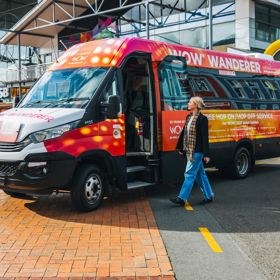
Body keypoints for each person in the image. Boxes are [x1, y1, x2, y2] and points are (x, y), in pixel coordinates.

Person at [170, 96, 214, 206]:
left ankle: (182, 198)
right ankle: (209, 195)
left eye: (190, 102)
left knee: (189, 173)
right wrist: (181, 147)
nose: (188, 103)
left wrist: (206, 154)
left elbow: (205, 137)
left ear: (196, 105)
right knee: (200, 174)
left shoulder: (203, 119)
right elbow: (184, 133)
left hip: (197, 151)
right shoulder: (188, 117)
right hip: (189, 149)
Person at [125, 76, 149, 151]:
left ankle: (140, 148)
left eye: (139, 81)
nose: (137, 83)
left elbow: (147, 106)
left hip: (141, 117)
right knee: (131, 133)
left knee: (140, 134)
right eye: (135, 81)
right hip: (131, 117)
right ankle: (132, 147)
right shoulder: (128, 93)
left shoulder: (145, 94)